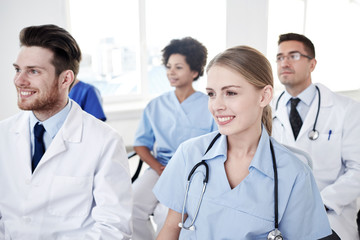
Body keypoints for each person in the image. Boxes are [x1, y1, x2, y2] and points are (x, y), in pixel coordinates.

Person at [153, 45, 332, 239]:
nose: (217, 106)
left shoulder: (294, 174)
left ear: (264, 96)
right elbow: (171, 228)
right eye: (212, 94)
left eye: (230, 93)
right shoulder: (190, 154)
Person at [0, 24, 132, 239]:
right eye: (17, 69)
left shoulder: (105, 142)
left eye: (33, 71)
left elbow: (114, 228)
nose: (19, 80)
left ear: (65, 79)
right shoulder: (3, 135)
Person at [272, 33, 360, 240]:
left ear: (312, 64)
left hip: (330, 216)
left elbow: (357, 169)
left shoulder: (346, 109)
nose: (284, 62)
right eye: (279, 57)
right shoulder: (267, 110)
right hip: (278, 217)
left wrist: (318, 201)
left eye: (293, 56)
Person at [132, 37, 217, 239]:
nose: (171, 72)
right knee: (132, 205)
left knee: (166, 214)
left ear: (195, 71)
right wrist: (158, 167)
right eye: (169, 66)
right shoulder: (155, 105)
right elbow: (140, 144)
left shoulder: (210, 106)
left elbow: (217, 145)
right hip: (159, 167)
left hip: (193, 172)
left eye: (178, 67)